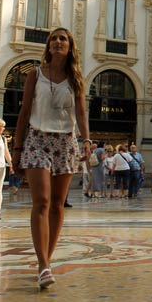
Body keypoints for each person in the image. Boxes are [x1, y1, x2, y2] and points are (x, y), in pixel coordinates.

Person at [11, 27, 91, 289]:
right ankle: (43, 264)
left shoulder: (76, 78)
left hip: (65, 141)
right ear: (48, 46)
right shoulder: (35, 74)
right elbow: (24, 111)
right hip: (37, 139)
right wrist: (17, 147)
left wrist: (86, 140)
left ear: (70, 47)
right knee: (42, 201)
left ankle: (47, 259)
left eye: (63, 39)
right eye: (54, 39)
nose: (57, 42)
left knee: (57, 204)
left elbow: (81, 114)